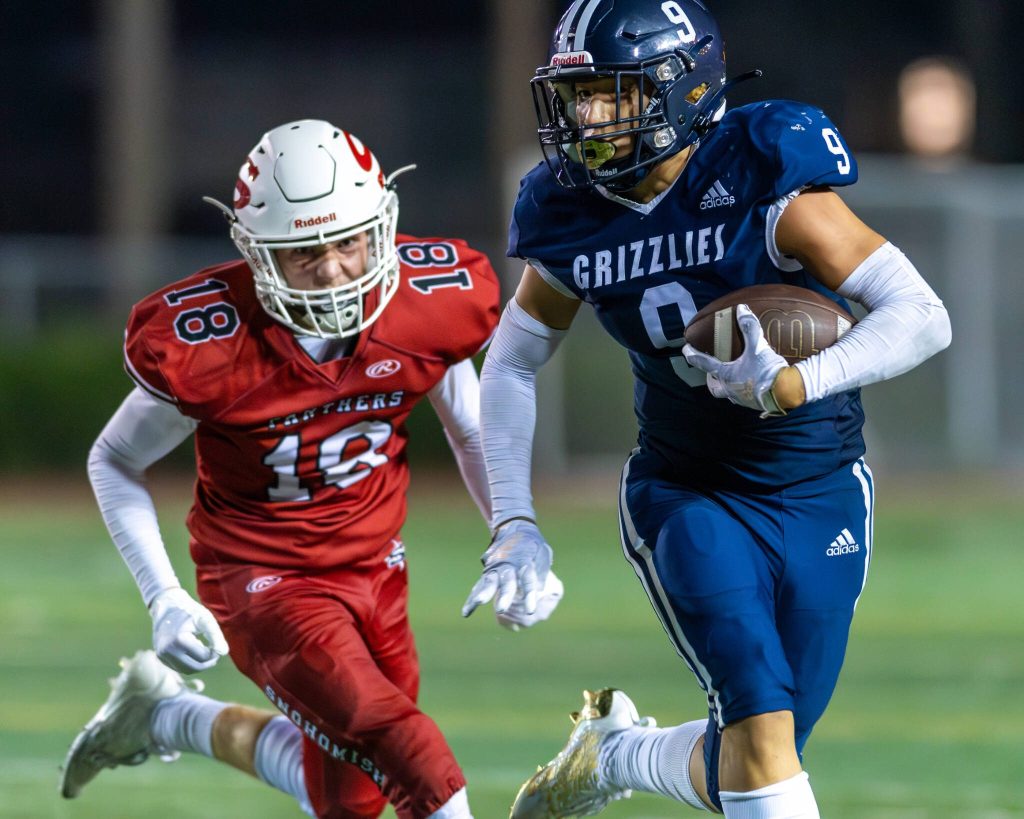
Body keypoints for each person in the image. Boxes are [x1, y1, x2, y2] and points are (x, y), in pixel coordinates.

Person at [461, 1, 952, 817]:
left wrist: (800, 380)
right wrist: (513, 521)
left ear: (683, 89)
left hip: (820, 483)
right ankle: (616, 752)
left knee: (762, 756)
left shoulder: (764, 170)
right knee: (761, 741)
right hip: (687, 492)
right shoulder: (568, 206)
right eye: (579, 98)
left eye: (613, 95)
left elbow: (921, 314)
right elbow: (512, 358)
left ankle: (612, 754)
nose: (589, 119)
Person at [59, 118, 549, 819]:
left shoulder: (426, 303)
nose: (332, 269)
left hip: (377, 563)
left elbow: (471, 428)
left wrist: (512, 532)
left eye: (347, 242)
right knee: (404, 746)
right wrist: (162, 594)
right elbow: (113, 458)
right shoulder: (215, 342)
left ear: (380, 226)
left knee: (353, 799)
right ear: (258, 253)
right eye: (304, 253)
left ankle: (168, 716)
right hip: (263, 576)